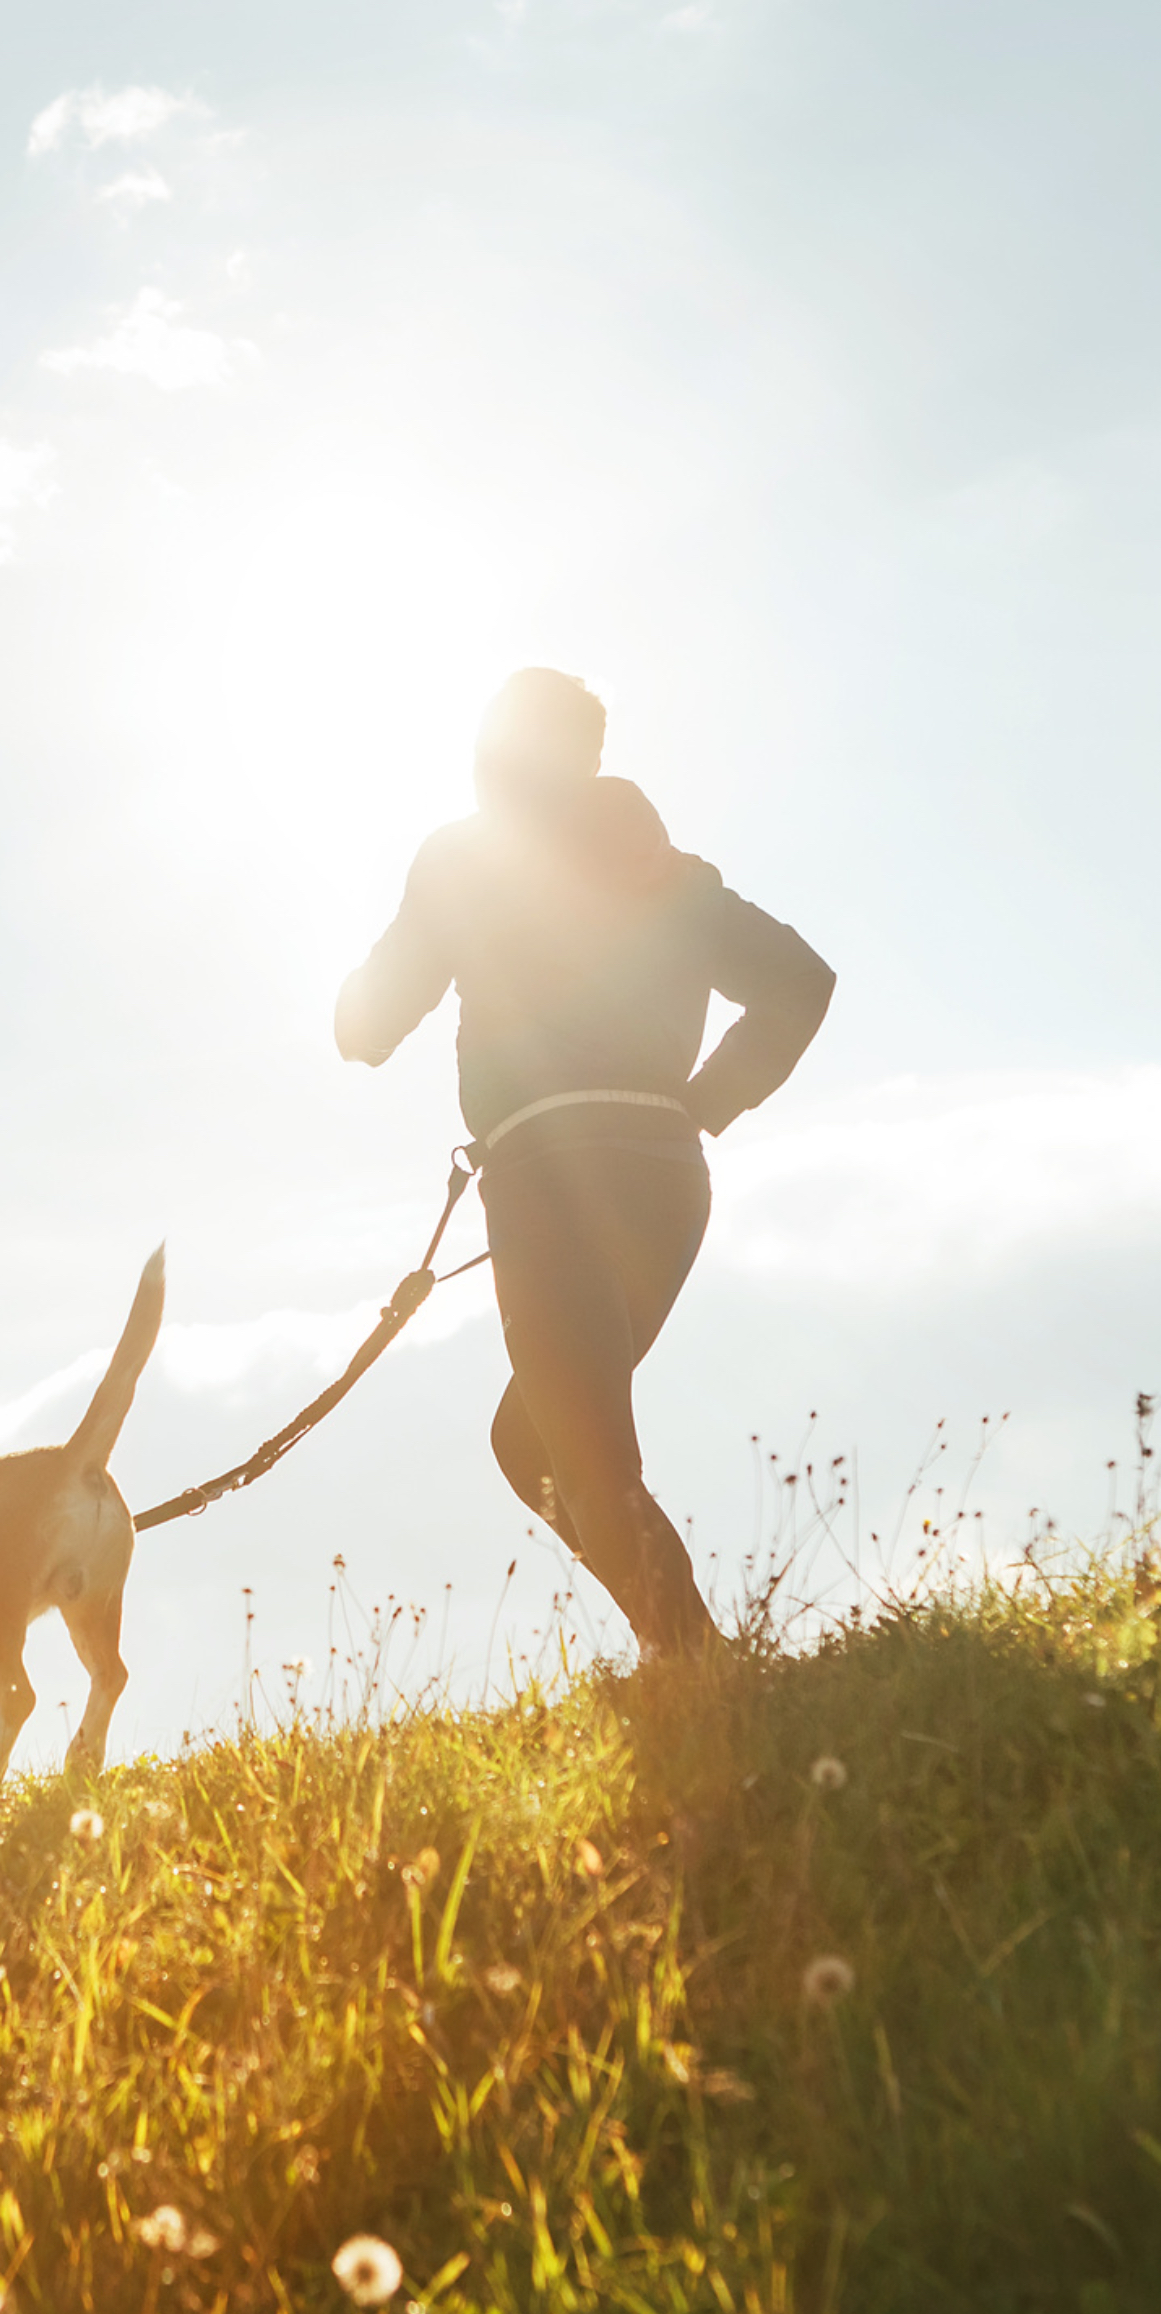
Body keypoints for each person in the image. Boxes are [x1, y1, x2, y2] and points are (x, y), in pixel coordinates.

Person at [335, 668, 834, 1658]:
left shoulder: (464, 859)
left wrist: (359, 998)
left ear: (493, 753)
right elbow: (800, 983)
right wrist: (707, 1098)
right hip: (663, 1174)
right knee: (534, 1441)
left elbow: (369, 1024)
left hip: (551, 1175)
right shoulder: (669, 872)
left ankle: (698, 1669)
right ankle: (684, 1653)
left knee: (578, 1446)